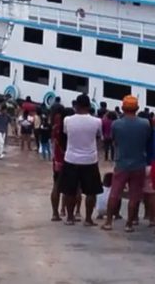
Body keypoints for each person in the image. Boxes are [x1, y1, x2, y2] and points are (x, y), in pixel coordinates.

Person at [103, 95, 151, 232]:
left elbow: (114, 141)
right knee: (134, 196)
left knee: (115, 193)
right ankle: (129, 224)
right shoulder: (145, 124)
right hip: (139, 164)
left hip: (122, 163)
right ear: (137, 108)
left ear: (123, 108)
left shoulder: (116, 124)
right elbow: (146, 140)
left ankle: (108, 222)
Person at [59, 94, 103, 226]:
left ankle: (70, 218)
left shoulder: (67, 120)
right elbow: (99, 137)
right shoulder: (97, 121)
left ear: (76, 105)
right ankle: (88, 219)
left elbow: (66, 134)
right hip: (90, 159)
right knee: (91, 192)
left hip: (71, 158)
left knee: (69, 191)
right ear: (89, 106)